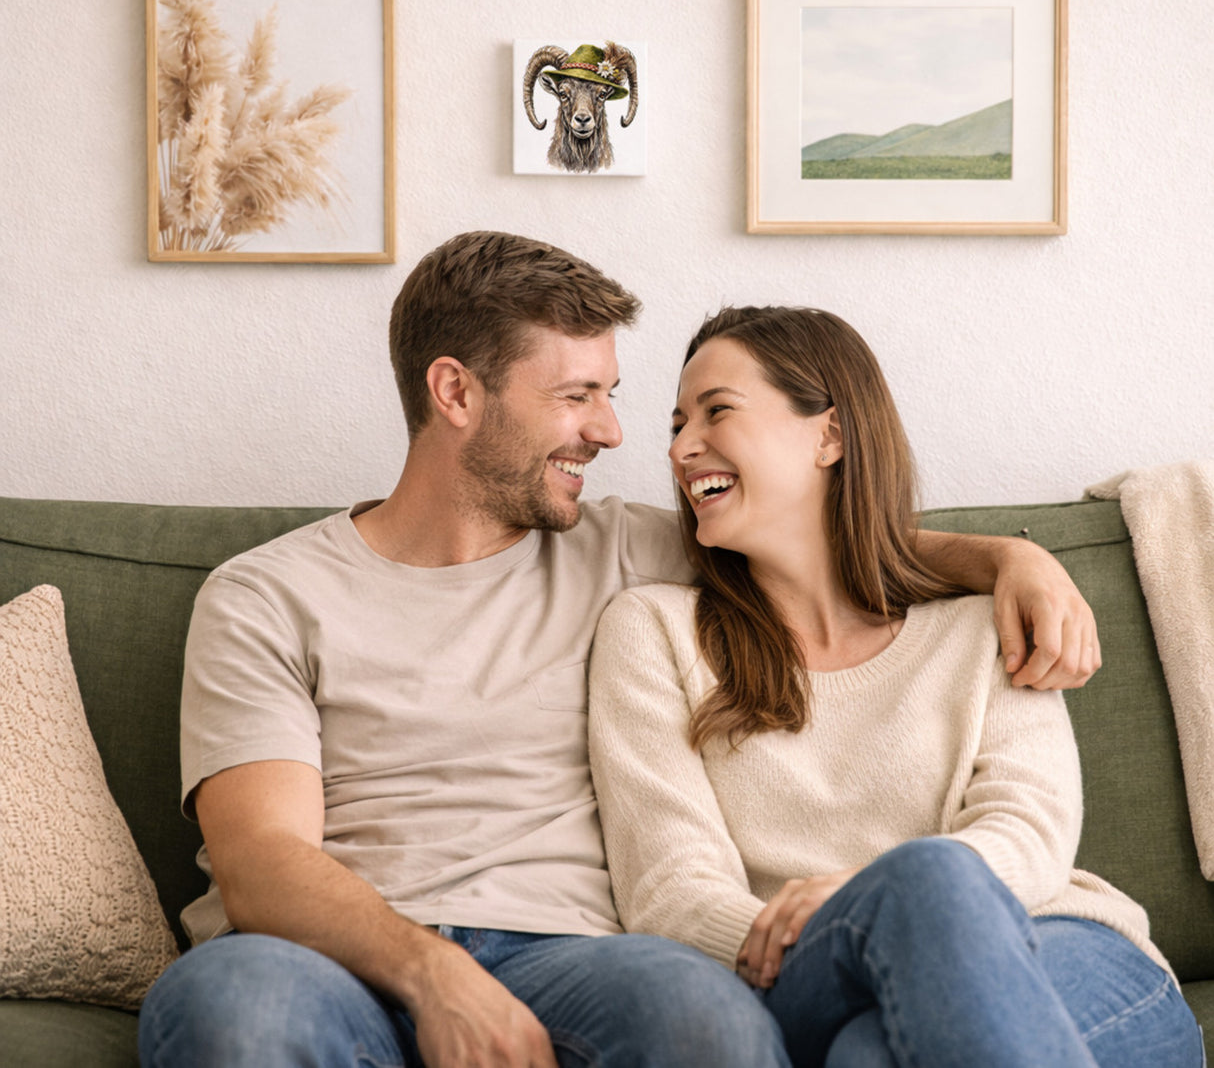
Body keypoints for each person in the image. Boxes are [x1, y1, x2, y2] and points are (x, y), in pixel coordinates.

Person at [139, 235, 1103, 1068]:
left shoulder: (627, 547)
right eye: (577, 396)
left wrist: (1008, 557)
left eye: (614, 396)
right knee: (235, 1007)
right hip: (325, 956)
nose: (612, 431)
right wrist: (436, 977)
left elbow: (821, 535)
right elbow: (262, 860)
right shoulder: (265, 593)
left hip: (571, 955)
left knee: (703, 1021)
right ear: (455, 392)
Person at [587, 304, 1203, 1068]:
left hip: (1056, 943)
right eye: (676, 426)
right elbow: (671, 889)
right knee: (921, 881)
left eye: (716, 412)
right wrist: (868, 912)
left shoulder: (982, 624)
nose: (681, 448)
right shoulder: (653, 632)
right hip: (802, 971)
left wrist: (890, 896)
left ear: (831, 436)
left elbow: (1030, 834)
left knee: (873, 1051)